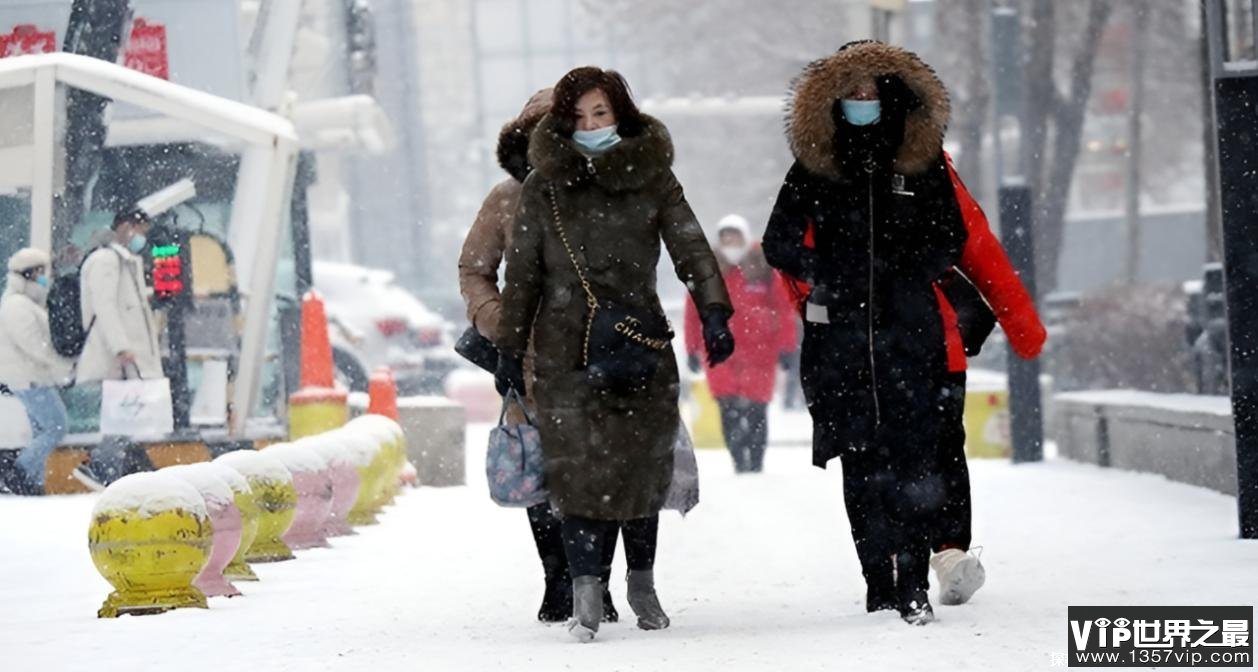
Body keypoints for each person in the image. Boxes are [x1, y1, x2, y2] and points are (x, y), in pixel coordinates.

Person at [763, 41, 1045, 625]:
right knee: (862, 467)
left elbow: (962, 240)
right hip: (843, 345)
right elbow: (781, 245)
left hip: (913, 338)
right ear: (834, 98)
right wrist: (828, 279)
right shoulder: (815, 167)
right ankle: (879, 581)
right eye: (853, 89)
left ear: (893, 94)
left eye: (874, 88)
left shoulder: (923, 163)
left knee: (922, 460)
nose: (863, 99)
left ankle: (923, 573)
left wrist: (909, 276)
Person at [496, 66, 734, 642]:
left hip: (638, 344)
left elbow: (690, 244)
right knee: (575, 472)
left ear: (620, 113)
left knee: (641, 467)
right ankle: (584, 591)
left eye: (600, 113)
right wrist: (509, 347)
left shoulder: (651, 177)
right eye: (578, 117)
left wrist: (715, 307)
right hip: (563, 351)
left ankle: (642, 582)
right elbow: (522, 274)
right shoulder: (544, 186)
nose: (590, 125)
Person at [458, 87, 623, 624]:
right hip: (529, 358)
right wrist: (498, 321)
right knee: (543, 472)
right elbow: (474, 268)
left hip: (603, 350)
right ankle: (558, 579)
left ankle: (597, 583)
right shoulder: (506, 198)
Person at [684, 214, 797, 473]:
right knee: (728, 408)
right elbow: (693, 314)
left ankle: (755, 463)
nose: (730, 242)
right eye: (726, 238)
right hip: (720, 353)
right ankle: (739, 461)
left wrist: (787, 347)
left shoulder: (764, 270)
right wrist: (691, 348)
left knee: (757, 410)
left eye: (735, 237)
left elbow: (783, 311)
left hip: (760, 354)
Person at [73, 208, 164, 490]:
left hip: (124, 356)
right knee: (123, 416)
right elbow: (105, 306)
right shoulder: (106, 261)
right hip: (115, 355)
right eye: (140, 230)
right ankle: (100, 467)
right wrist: (122, 346)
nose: (142, 237)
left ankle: (131, 470)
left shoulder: (123, 261)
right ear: (125, 227)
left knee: (130, 416)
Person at [0, 248, 73, 495]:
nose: (45, 277)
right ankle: (18, 470)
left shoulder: (24, 303)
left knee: (41, 430)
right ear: (28, 274)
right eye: (40, 272)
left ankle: (33, 482)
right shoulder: (17, 306)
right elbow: (33, 344)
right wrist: (61, 363)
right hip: (29, 378)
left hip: (30, 376)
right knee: (57, 426)